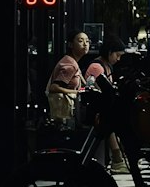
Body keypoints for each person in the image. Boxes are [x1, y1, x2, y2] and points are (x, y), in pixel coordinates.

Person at [84, 34, 128, 174]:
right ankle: (117, 159)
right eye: (117, 55)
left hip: (100, 107)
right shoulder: (97, 67)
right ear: (110, 53)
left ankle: (121, 156)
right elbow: (106, 91)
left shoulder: (106, 66)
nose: (118, 59)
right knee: (110, 121)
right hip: (93, 109)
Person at [45, 30, 89, 127]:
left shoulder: (71, 61)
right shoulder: (70, 65)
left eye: (87, 41)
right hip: (64, 115)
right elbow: (53, 87)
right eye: (80, 41)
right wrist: (75, 92)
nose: (85, 44)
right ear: (70, 44)